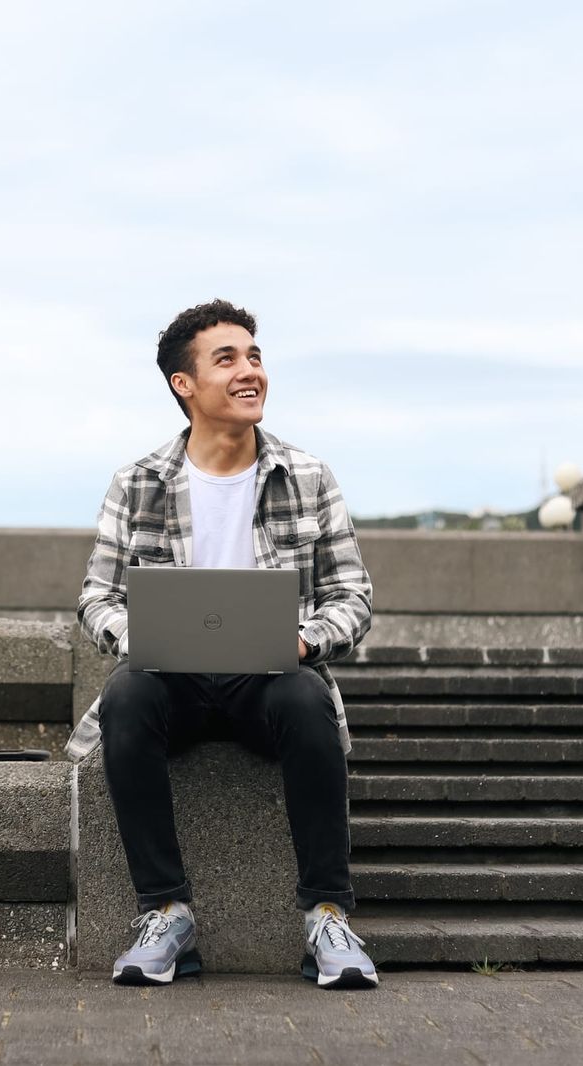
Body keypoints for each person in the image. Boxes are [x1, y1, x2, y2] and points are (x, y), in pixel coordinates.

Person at [67, 299, 378, 989]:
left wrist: (306, 640)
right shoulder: (140, 483)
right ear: (185, 384)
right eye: (228, 358)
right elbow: (96, 599)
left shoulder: (308, 476)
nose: (250, 371)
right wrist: (140, 635)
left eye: (255, 357)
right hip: (173, 682)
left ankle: (327, 918)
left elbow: (353, 596)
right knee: (127, 697)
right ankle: (165, 914)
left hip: (269, 678)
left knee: (306, 702)